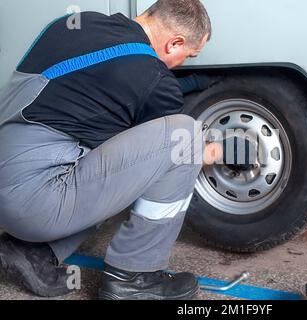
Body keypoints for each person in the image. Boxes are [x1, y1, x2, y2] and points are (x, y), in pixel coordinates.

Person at [0, 0, 218, 300]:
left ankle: (30, 252)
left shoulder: (74, 24)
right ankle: (134, 279)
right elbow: (168, 154)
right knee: (186, 136)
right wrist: (212, 153)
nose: (184, 63)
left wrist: (191, 83)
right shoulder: (155, 80)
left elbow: (107, 77)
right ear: (174, 43)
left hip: (10, 175)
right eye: (188, 56)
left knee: (106, 157)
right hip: (36, 203)